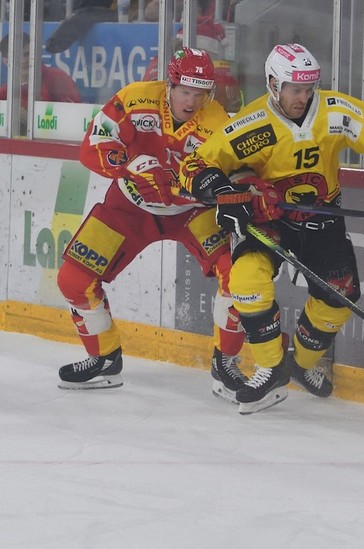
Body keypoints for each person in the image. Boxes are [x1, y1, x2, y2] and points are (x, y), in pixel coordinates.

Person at [179, 43, 364, 415]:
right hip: (269, 218)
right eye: (294, 88)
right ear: (272, 83)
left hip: (321, 216)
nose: (303, 96)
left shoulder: (334, 110)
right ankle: (270, 369)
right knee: (246, 279)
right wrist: (224, 193)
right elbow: (196, 165)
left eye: (309, 87)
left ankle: (301, 362)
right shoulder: (250, 124)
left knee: (339, 296)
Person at [57, 48, 246, 404]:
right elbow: (92, 145)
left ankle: (226, 364)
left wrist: (223, 187)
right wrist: (129, 164)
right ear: (169, 83)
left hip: (192, 212)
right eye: (185, 91)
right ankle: (104, 359)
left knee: (236, 277)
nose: (192, 101)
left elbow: (234, 173)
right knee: (73, 279)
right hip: (130, 205)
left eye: (201, 93)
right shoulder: (135, 97)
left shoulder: (218, 121)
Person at [0, 32, 81, 110]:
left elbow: (73, 115)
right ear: (6, 62)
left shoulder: (58, 79)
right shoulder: (4, 93)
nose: (24, 60)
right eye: (17, 56)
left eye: (27, 54)